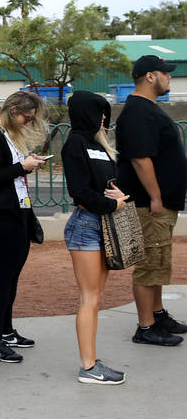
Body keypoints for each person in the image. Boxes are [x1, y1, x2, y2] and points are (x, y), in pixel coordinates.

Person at [115, 55, 187, 346]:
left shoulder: (148, 109)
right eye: (165, 73)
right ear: (149, 76)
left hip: (160, 203)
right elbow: (140, 158)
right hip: (149, 204)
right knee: (149, 262)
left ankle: (156, 314)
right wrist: (156, 197)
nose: (169, 78)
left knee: (158, 261)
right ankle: (146, 327)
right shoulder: (137, 112)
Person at [0, 91, 49, 363]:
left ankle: (5, 331)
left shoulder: (5, 134)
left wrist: (24, 166)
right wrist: (22, 166)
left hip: (16, 212)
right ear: (14, 110)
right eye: (27, 118)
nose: (28, 123)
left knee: (11, 276)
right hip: (1, 215)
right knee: (0, 279)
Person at [62, 91, 130, 384]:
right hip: (87, 226)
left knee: (96, 296)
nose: (104, 116)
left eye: (105, 111)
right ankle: (88, 367)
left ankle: (91, 361)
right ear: (85, 112)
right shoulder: (75, 143)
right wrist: (113, 204)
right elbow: (79, 192)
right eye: (99, 111)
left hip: (102, 224)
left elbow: (107, 183)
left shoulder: (98, 144)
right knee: (89, 297)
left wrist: (119, 196)